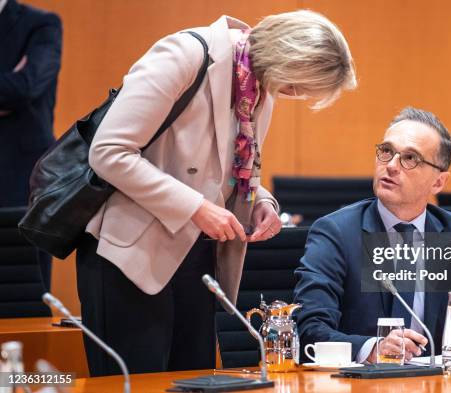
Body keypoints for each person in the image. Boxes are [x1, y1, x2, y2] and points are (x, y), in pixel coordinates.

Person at [77, 10, 356, 376]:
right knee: (136, 383)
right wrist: (196, 207)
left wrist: (261, 202)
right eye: (298, 86)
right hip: (131, 254)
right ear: (287, 56)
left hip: (197, 257)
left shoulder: (258, 85)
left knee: (194, 381)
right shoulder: (184, 56)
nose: (295, 95)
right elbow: (108, 153)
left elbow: (230, 167)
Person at [293, 107, 451, 364]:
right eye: (386, 151)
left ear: (438, 182)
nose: (392, 165)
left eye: (410, 158)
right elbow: (309, 328)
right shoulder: (336, 232)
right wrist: (374, 349)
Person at [0, 0, 62, 291]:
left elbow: (25, 86)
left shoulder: (41, 23)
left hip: (20, 172)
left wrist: (15, 86)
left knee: (22, 286)